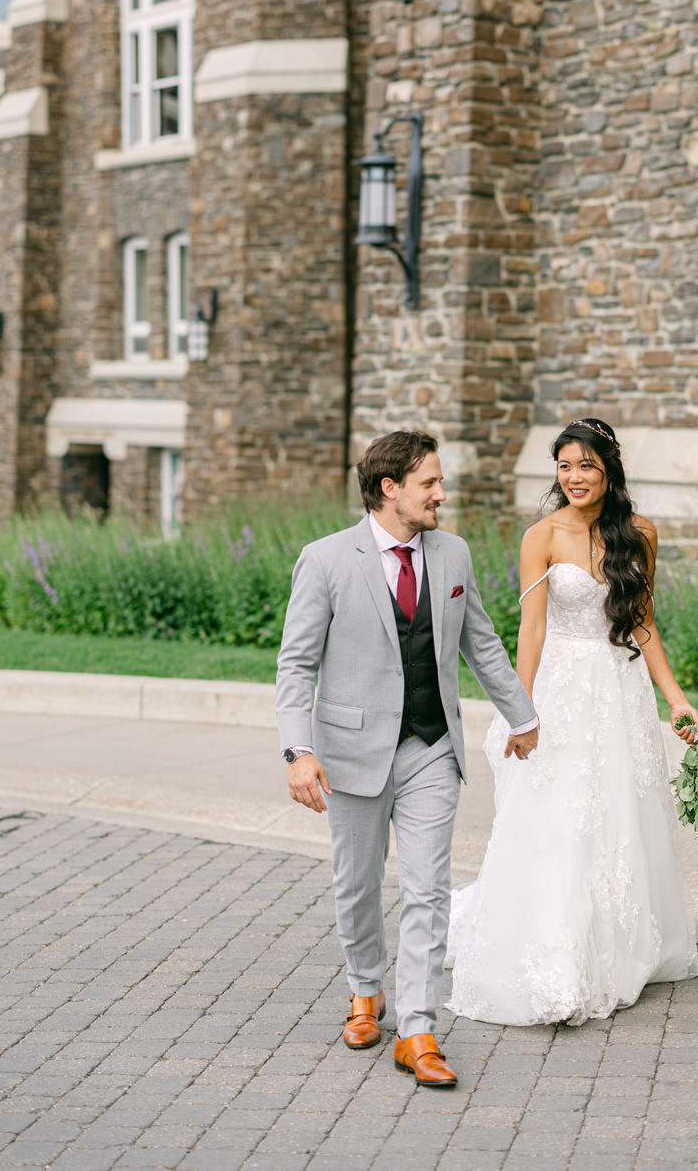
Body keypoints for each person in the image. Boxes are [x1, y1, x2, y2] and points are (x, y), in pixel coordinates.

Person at [276, 430, 538, 1087]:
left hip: (431, 747)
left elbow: (481, 642)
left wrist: (523, 715)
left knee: (426, 890)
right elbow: (296, 663)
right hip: (351, 752)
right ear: (390, 488)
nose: (441, 494)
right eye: (429, 483)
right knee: (357, 885)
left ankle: (417, 1028)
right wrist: (298, 750)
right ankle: (366, 991)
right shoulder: (326, 559)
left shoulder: (453, 554)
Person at [446, 417, 698, 1027]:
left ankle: (616, 940)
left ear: (608, 468)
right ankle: (556, 952)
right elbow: (530, 629)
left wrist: (676, 697)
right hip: (561, 690)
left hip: (619, 689)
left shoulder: (639, 533)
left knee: (617, 812)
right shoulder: (543, 535)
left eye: (585, 464)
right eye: (564, 466)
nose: (574, 477)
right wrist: (520, 707)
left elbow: (641, 620)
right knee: (558, 813)